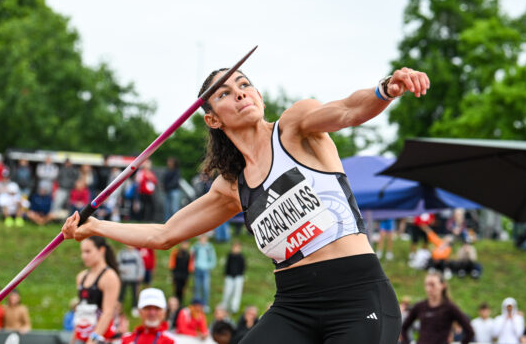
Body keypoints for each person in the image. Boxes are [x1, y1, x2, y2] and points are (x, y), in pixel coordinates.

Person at [63, 66, 431, 343]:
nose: (240, 93)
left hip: (356, 295)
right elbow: (164, 233)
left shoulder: (296, 128)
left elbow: (350, 110)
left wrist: (386, 89)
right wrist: (94, 227)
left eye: (244, 84)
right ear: (212, 118)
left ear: (259, 97)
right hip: (294, 305)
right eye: (224, 93)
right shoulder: (231, 187)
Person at [401, 273, 474, 344]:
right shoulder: (420, 306)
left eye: (432, 285)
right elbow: (403, 328)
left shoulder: (450, 307)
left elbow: (469, 331)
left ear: (442, 285)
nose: (428, 288)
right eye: (426, 285)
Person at [72, 236, 121, 344]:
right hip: (83, 335)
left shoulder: (109, 277)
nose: (84, 256)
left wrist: (93, 339)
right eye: (82, 252)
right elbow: (80, 312)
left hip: (102, 337)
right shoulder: (81, 277)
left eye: (88, 251)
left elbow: (108, 312)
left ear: (101, 250)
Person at [117, 245, 145, 317]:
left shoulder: (137, 254)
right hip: (124, 277)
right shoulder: (122, 253)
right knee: (121, 294)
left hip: (134, 278)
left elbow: (140, 265)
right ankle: (119, 308)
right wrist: (122, 270)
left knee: (134, 294)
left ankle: (135, 307)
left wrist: (140, 275)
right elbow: (117, 264)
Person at [192, 235, 216, 312]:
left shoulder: (209, 248)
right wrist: (194, 265)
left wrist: (209, 266)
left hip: (205, 270)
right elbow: (192, 255)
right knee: (197, 287)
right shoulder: (196, 246)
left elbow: (213, 258)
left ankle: (205, 304)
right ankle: (196, 305)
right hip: (197, 268)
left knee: (205, 288)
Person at [222, 241, 246, 314]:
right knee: (227, 292)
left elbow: (243, 267)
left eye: (237, 248)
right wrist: (226, 274)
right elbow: (227, 266)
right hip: (229, 276)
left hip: (238, 277)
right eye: (234, 247)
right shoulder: (229, 256)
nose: (236, 249)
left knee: (237, 293)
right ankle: (225, 305)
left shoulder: (241, 257)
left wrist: (240, 275)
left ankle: (234, 307)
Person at [168, 241, 194, 305]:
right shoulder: (176, 252)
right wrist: (172, 272)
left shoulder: (188, 254)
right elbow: (172, 263)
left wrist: (189, 272)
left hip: (184, 275)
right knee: (176, 289)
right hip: (176, 274)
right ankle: (175, 303)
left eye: (186, 244)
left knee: (182, 291)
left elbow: (190, 265)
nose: (184, 245)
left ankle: (180, 303)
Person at [163, 157, 181, 221]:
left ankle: (175, 221)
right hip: (167, 191)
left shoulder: (176, 171)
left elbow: (175, 181)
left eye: (170, 162)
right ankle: (167, 222)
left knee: (174, 208)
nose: (168, 163)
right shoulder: (167, 170)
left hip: (174, 191)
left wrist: (168, 186)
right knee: (167, 208)